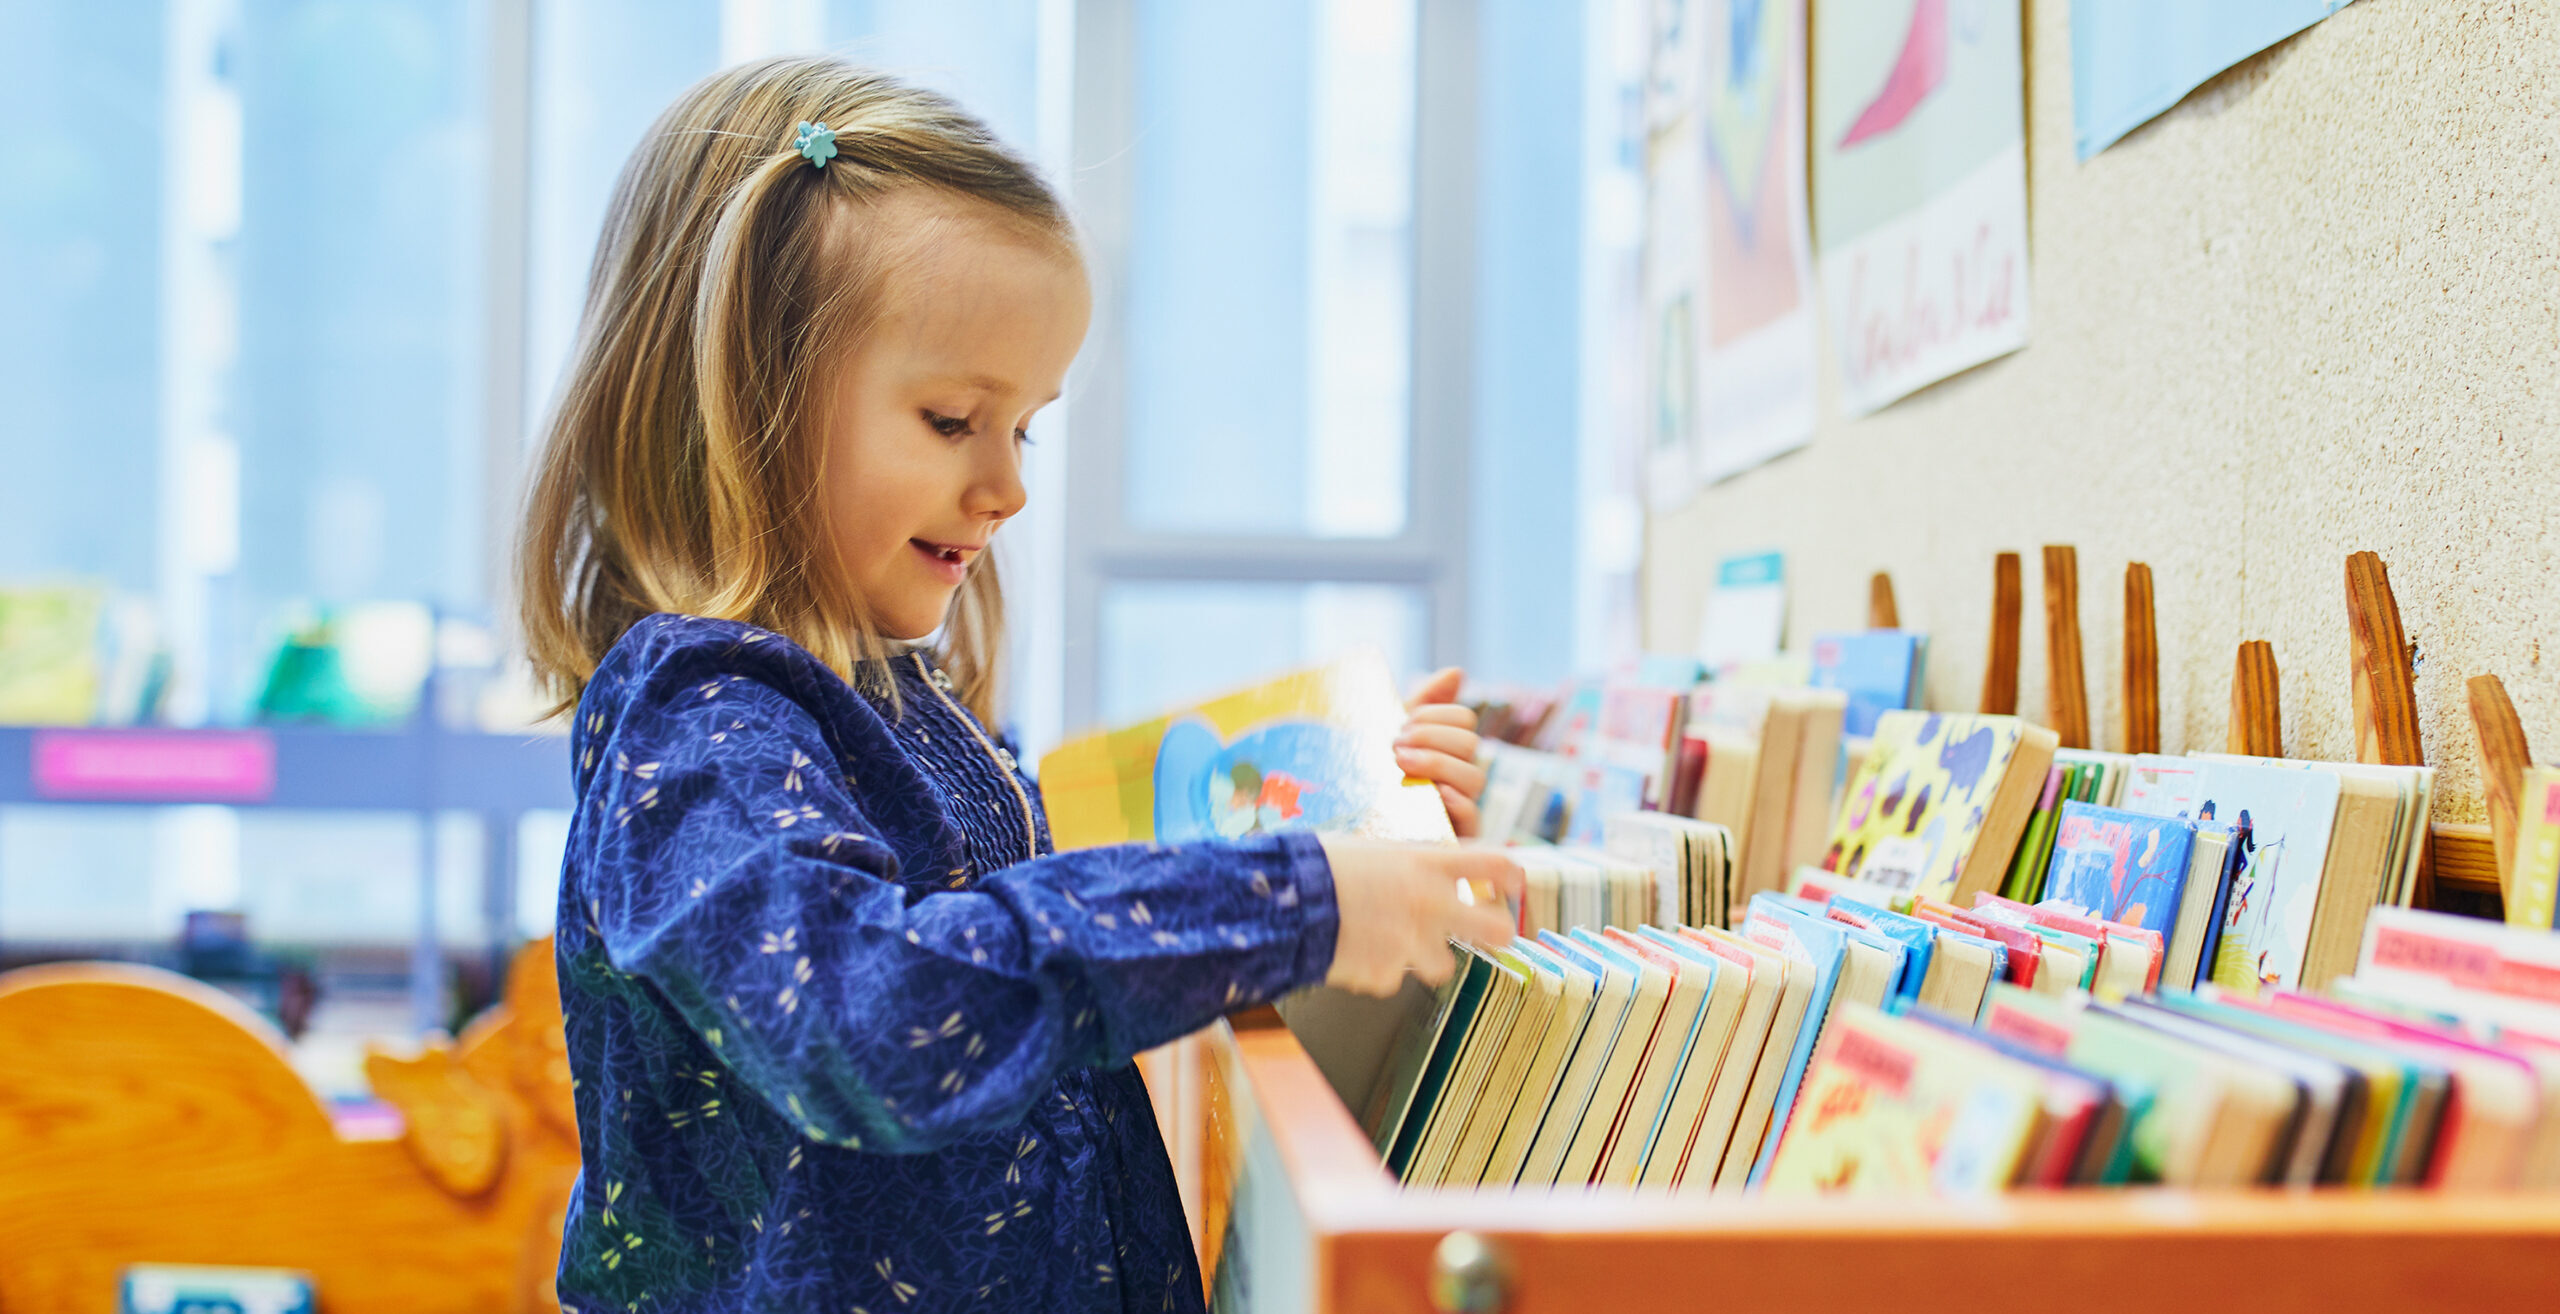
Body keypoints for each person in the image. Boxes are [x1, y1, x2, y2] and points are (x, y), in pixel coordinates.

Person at [516, 56, 1520, 1314]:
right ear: (743, 402)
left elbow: (1064, 923)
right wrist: (1293, 900)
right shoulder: (702, 724)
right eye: (951, 420)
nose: (1009, 486)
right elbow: (873, 1010)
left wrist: (1364, 826)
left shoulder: (898, 704)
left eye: (1026, 426)